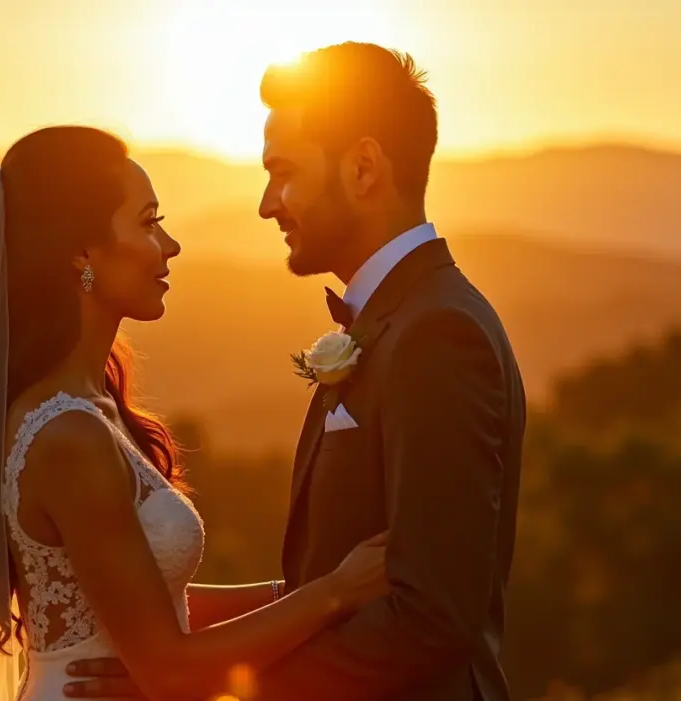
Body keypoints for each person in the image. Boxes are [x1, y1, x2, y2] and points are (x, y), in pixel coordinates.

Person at [0, 125, 390, 701]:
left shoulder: (91, 409)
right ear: (82, 252)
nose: (170, 245)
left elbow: (149, 601)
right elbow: (170, 669)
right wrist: (334, 594)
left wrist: (295, 592)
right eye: (148, 222)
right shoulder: (68, 436)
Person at [63, 42, 526, 701]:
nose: (266, 203)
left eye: (283, 173)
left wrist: (205, 683)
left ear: (364, 167)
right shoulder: (401, 321)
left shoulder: (438, 336)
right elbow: (331, 580)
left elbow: (429, 621)